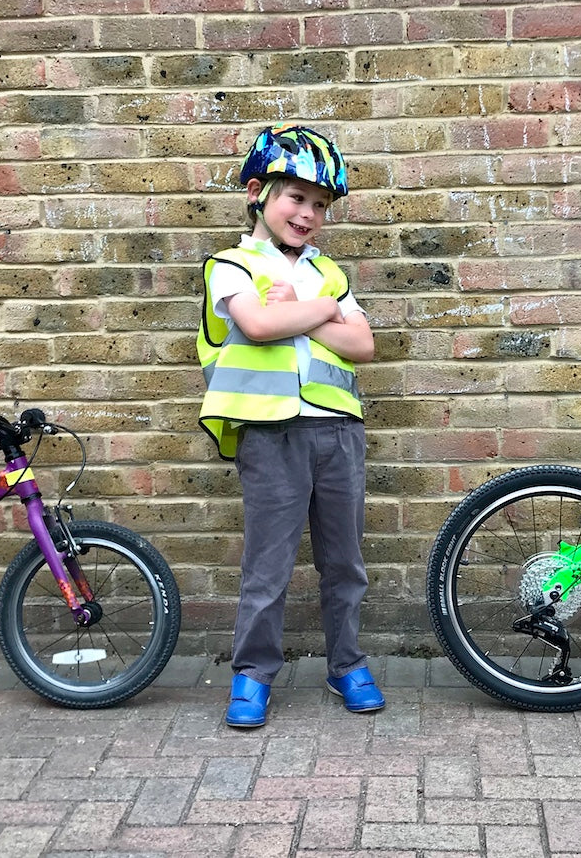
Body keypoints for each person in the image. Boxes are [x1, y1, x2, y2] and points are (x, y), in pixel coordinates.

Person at [195, 125, 382, 728]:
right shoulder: (231, 266)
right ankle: (252, 675)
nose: (308, 214)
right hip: (270, 435)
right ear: (258, 192)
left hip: (337, 434)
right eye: (295, 197)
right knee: (268, 566)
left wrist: (311, 308)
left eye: (320, 205)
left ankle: (346, 663)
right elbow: (256, 325)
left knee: (344, 562)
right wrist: (321, 313)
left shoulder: (328, 275)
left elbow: (363, 344)